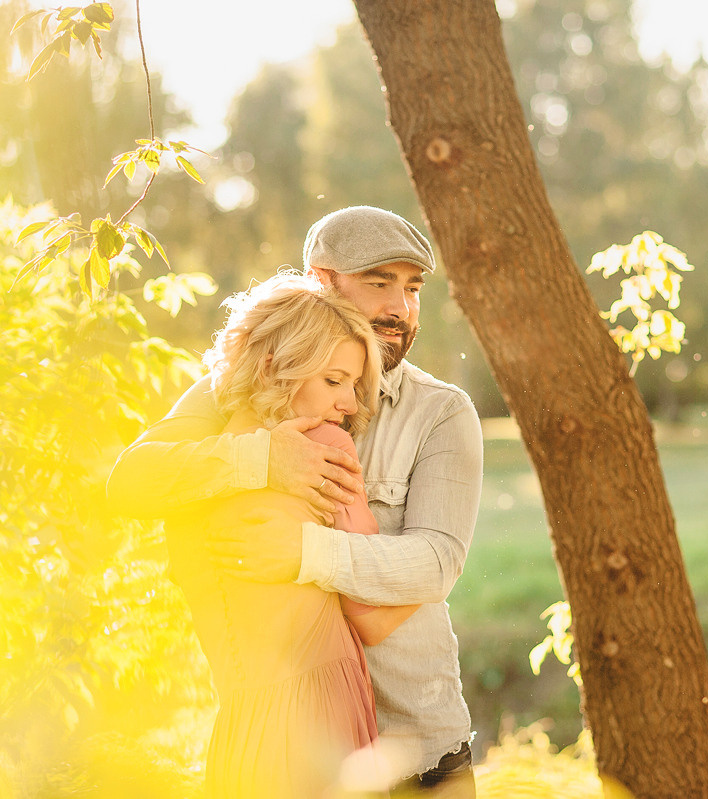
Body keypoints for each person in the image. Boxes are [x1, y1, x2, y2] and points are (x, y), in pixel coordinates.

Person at [110, 206, 483, 796]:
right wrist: (264, 459)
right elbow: (132, 481)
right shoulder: (237, 387)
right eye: (379, 283)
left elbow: (438, 561)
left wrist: (305, 552)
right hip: (294, 745)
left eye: (412, 288)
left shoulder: (441, 412)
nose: (401, 307)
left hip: (417, 749)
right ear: (322, 281)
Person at [144, 273, 413, 798]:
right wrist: (444, 563)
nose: (349, 404)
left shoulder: (189, 477)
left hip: (239, 732)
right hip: (320, 722)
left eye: (354, 386)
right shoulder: (325, 447)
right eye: (334, 381)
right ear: (273, 367)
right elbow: (374, 618)